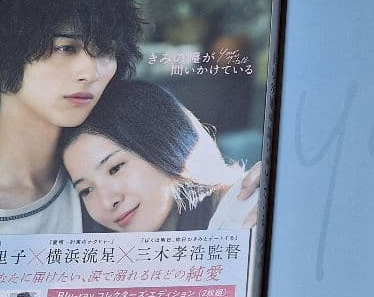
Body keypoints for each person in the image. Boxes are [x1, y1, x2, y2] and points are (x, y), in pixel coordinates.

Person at [0, 0, 144, 236]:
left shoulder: (116, 185)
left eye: (106, 50)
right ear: (7, 56)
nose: (90, 73)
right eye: (66, 48)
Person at [59, 80, 255, 232]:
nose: (107, 202)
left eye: (115, 168)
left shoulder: (248, 213)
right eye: (86, 190)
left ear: (164, 143)